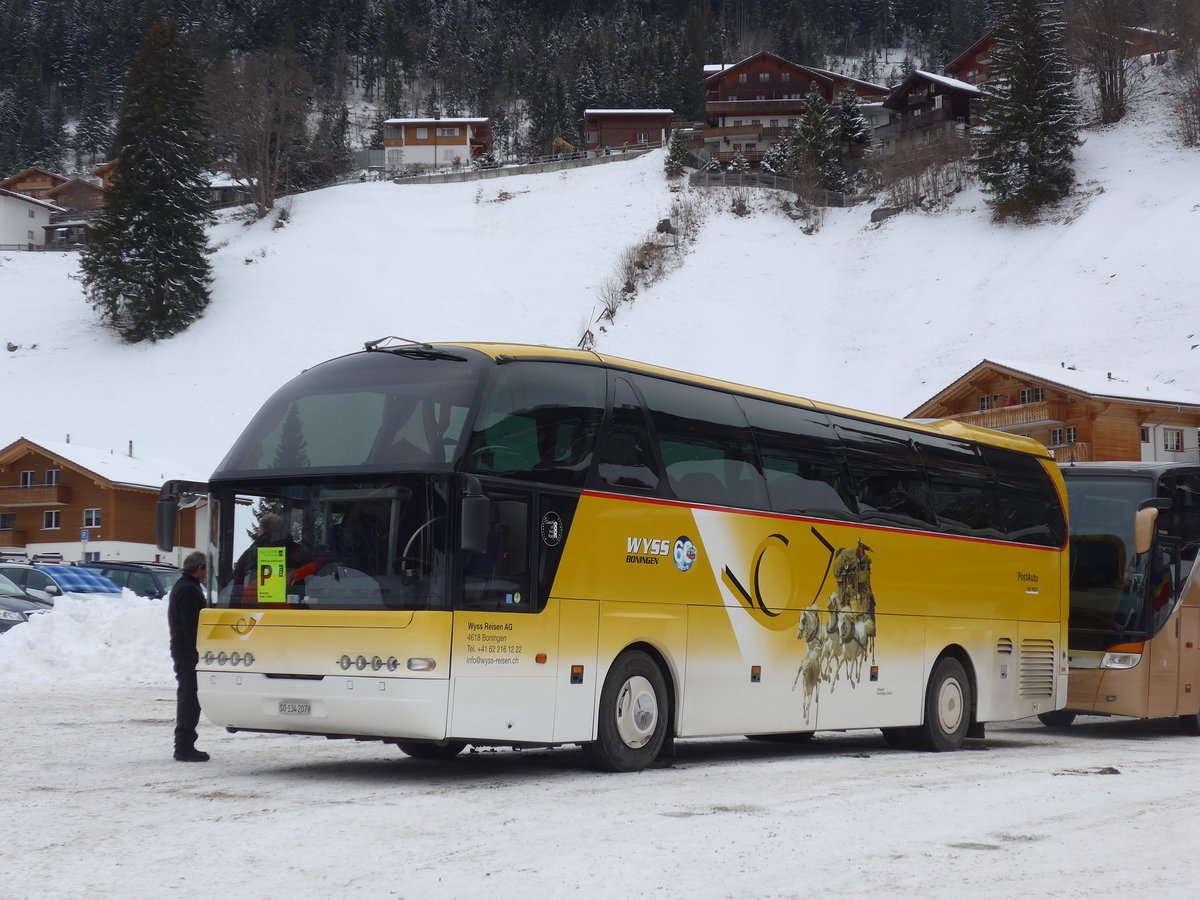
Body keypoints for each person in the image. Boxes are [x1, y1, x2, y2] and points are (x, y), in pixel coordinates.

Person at [168, 551, 209, 762]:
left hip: (183, 649)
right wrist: (201, 647)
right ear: (199, 569)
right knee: (189, 698)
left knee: (189, 695)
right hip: (188, 651)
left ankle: (184, 744)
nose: (207, 573)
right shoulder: (189, 591)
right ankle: (184, 746)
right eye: (205, 569)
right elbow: (191, 626)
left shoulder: (184, 586)